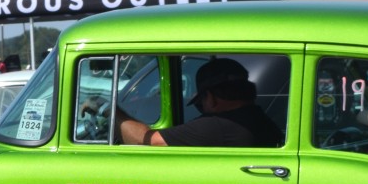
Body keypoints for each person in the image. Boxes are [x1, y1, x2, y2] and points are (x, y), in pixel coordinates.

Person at [117, 58, 282, 147]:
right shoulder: (260, 119)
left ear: (211, 97)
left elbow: (148, 140)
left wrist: (111, 112)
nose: (202, 108)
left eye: (201, 102)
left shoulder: (217, 126)